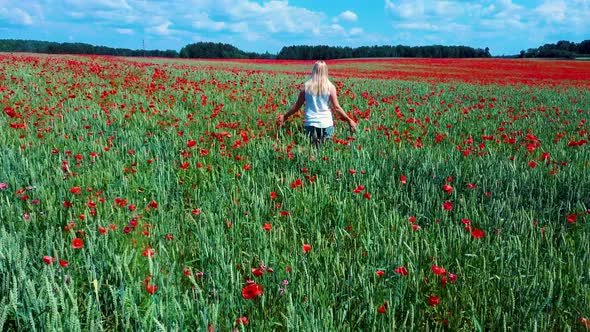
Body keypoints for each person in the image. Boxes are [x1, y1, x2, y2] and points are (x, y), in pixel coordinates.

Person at [277, 61, 357, 146]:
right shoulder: (330, 87)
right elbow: (337, 107)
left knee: (313, 151)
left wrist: (285, 116)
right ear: (326, 71)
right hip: (326, 123)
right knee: (326, 151)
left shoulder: (306, 86)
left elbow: (297, 106)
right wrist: (349, 120)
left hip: (310, 123)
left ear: (314, 70)